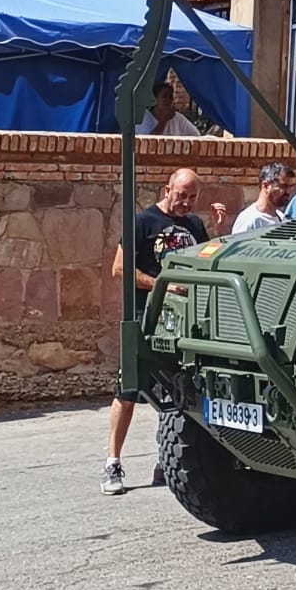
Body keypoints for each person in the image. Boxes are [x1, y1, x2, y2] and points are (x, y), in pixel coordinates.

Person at [104, 167, 225, 494]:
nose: (185, 202)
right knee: (128, 389)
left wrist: (217, 231)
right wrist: (162, 286)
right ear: (166, 189)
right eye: (181, 195)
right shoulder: (143, 222)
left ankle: (168, 460)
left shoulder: (194, 225)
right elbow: (120, 269)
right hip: (147, 319)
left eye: (192, 197)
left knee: (180, 392)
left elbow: (204, 264)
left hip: (183, 323)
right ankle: (113, 464)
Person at [232, 162, 291, 234]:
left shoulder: (282, 218)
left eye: (289, 187)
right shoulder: (249, 220)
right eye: (283, 187)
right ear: (266, 186)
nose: (288, 191)